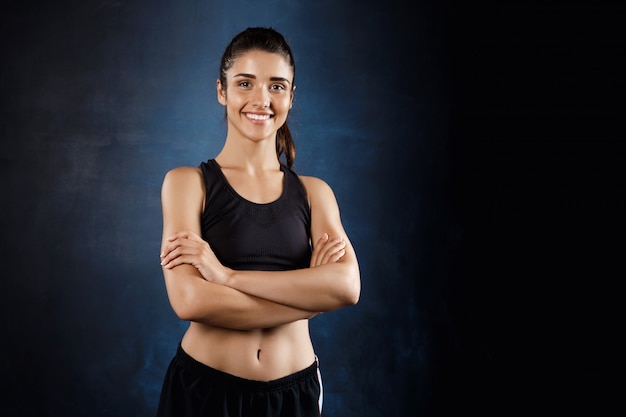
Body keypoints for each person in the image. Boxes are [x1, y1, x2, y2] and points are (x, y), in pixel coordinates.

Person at [156, 27, 360, 417]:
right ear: (222, 90)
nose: (261, 99)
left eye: (277, 86)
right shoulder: (186, 183)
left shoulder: (315, 193)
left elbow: (347, 287)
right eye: (245, 83)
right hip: (203, 390)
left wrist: (227, 277)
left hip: (294, 394)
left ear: (291, 96)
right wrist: (310, 301)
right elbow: (190, 300)